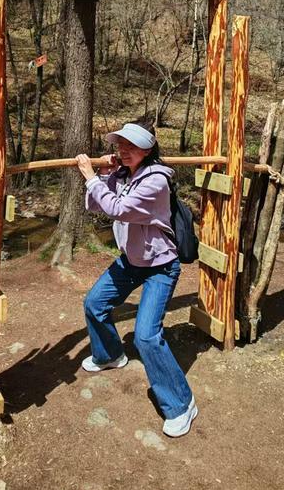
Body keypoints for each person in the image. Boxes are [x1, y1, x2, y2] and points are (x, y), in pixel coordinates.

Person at [75, 121, 197, 438]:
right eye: (120, 146)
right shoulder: (126, 174)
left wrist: (90, 177)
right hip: (132, 261)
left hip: (160, 266)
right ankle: (110, 354)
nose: (123, 151)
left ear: (147, 149)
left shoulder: (155, 181)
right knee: (95, 303)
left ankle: (182, 404)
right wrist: (105, 175)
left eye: (131, 146)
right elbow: (95, 205)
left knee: (145, 336)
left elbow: (118, 209)